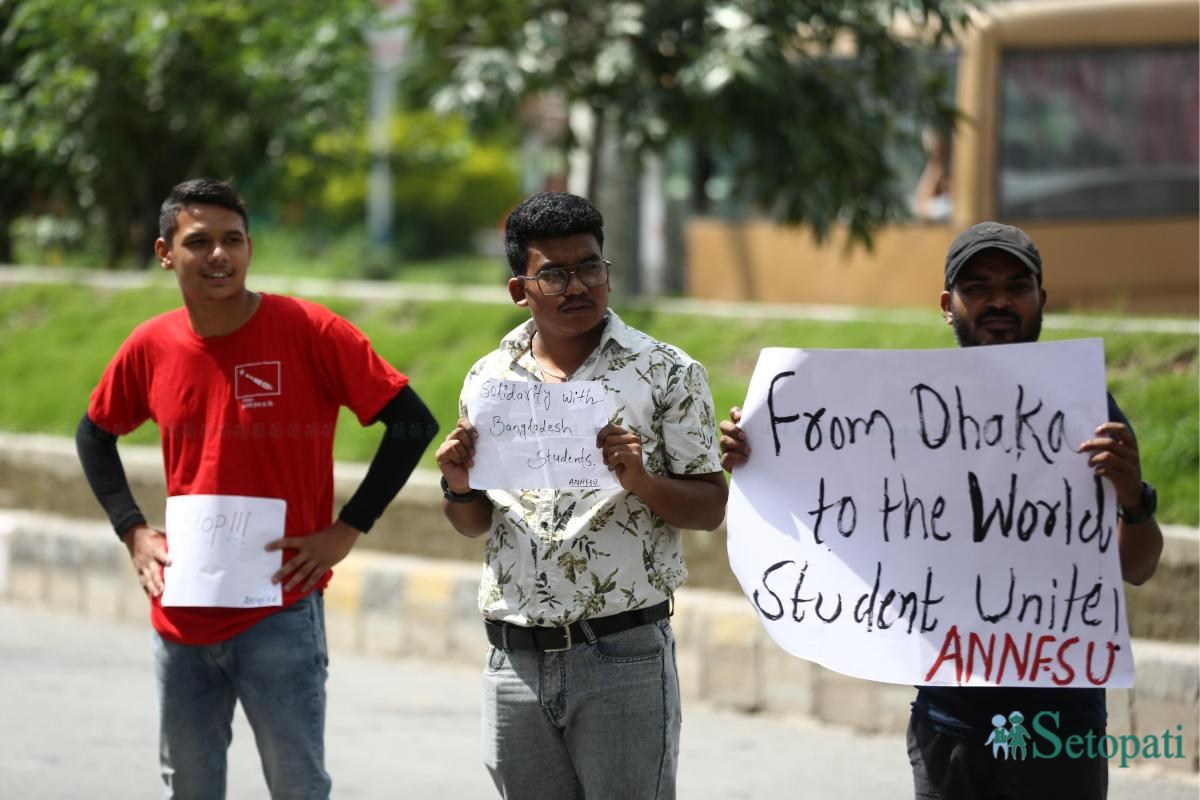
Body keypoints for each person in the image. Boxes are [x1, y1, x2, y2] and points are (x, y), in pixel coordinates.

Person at [719, 221, 1164, 800]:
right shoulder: (902, 411)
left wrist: (1132, 499)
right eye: (976, 287)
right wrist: (763, 455)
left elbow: (1139, 566)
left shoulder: (1085, 410)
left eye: (1016, 285)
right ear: (947, 305)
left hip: (1061, 725)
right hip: (947, 722)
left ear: (1041, 300)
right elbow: (831, 499)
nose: (999, 300)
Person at [75, 177, 438, 799]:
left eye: (233, 240)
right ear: (166, 253)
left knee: (298, 786)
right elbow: (93, 435)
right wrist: (133, 531)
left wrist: (347, 529)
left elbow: (413, 424)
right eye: (200, 241)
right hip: (181, 611)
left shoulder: (311, 331)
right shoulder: (150, 346)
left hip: (280, 610)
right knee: (187, 786)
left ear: (249, 248)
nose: (219, 255)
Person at [434, 191, 727, 799]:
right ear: (521, 290)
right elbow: (475, 524)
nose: (578, 286)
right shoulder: (491, 380)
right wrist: (458, 487)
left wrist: (641, 481)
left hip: (622, 654)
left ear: (608, 273)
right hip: (513, 659)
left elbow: (711, 506)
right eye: (555, 274)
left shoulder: (667, 372)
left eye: (590, 266)